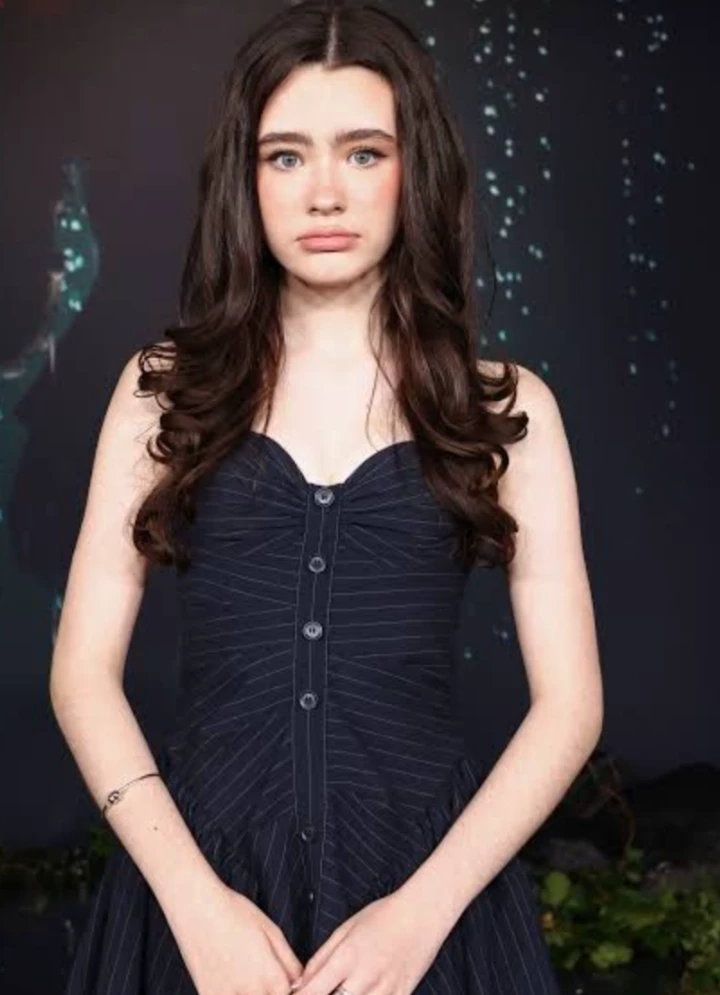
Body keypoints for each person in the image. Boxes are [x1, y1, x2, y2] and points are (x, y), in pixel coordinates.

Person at [50, 1, 603, 993]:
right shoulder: (161, 391)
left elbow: (570, 706)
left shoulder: (505, 408)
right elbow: (83, 675)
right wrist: (195, 906)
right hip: (199, 900)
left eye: (363, 152)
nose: (325, 194)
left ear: (413, 169)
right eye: (286, 156)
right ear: (247, 178)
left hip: (429, 907)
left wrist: (421, 914)